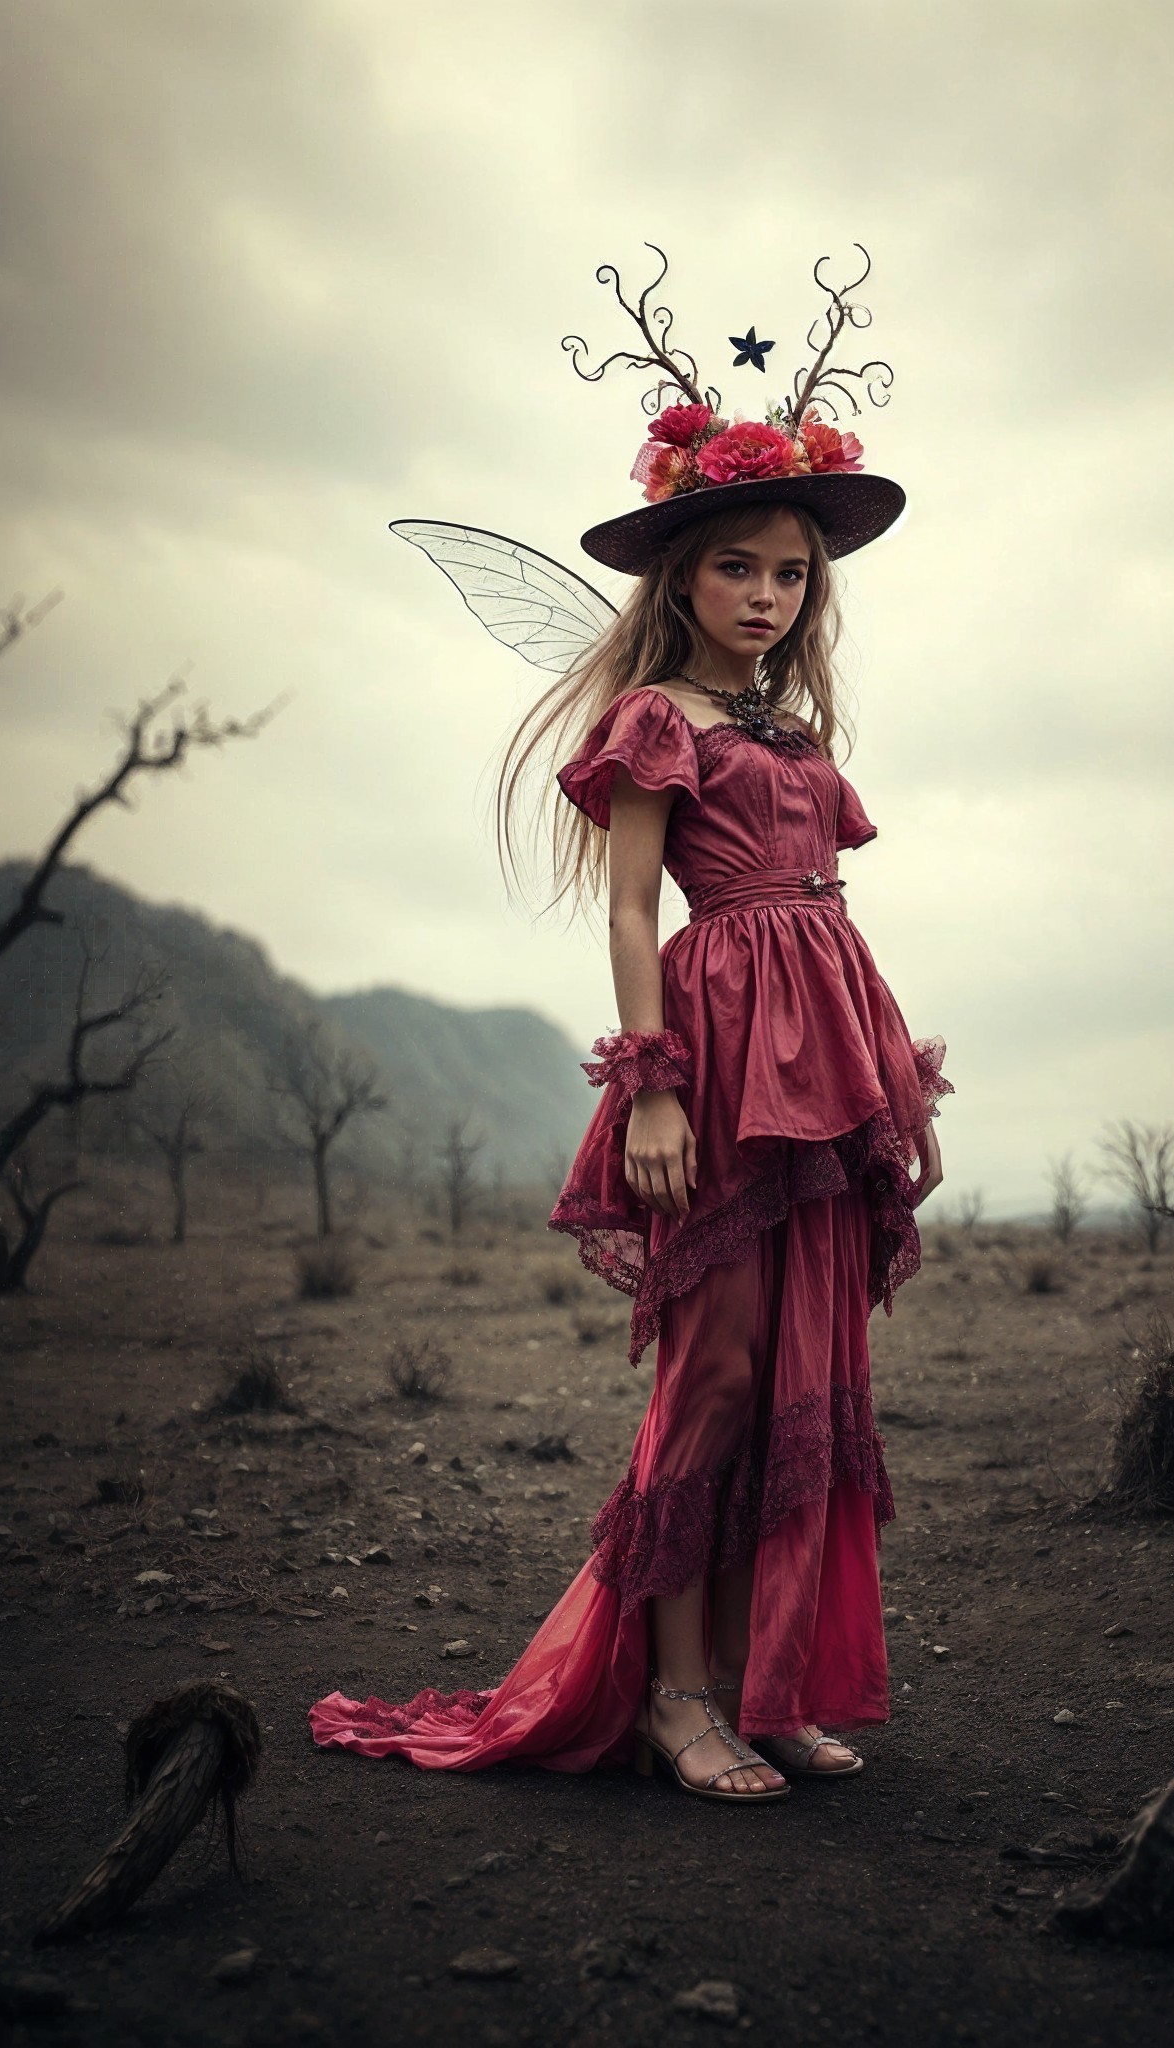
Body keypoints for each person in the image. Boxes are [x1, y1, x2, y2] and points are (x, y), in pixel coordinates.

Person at [310, 251, 949, 1801]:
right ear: (682, 580)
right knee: (718, 1375)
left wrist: (870, 1072)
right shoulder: (656, 722)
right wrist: (653, 1092)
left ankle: (771, 1683)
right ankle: (674, 1701)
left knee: (814, 1371)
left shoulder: (798, 735)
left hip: (828, 1059)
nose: (767, 595)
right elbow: (629, 908)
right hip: (721, 1066)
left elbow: (824, 903)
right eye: (738, 567)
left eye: (791, 574)